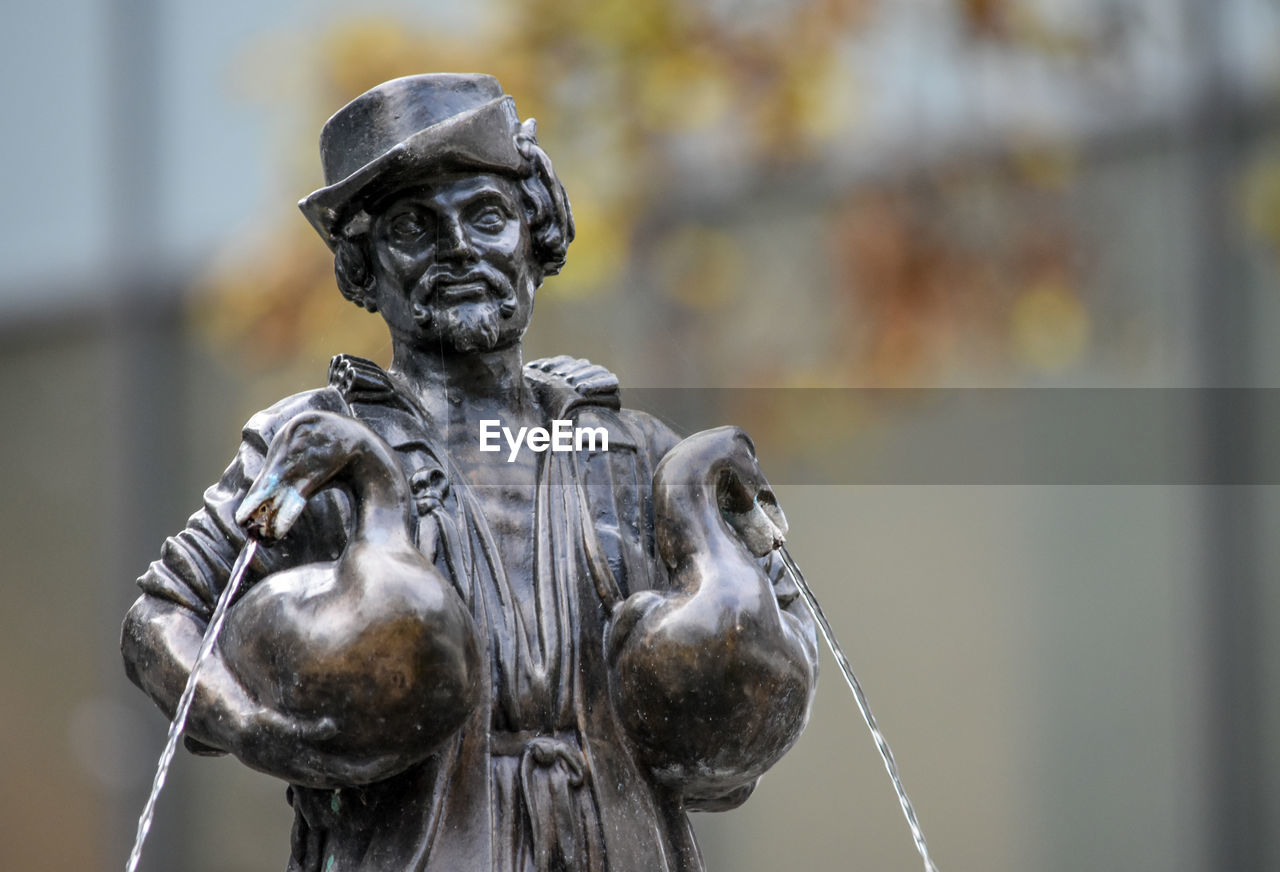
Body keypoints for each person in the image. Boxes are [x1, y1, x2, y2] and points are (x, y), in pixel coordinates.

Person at [121, 73, 818, 872]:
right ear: (361, 267)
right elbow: (162, 619)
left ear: (536, 231)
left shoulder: (633, 452)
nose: (458, 249)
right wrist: (250, 725)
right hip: (418, 849)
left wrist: (737, 710)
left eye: (486, 216)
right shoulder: (315, 445)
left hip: (619, 846)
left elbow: (784, 631)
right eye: (414, 228)